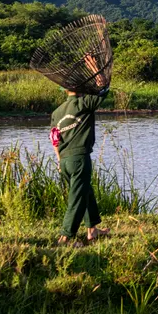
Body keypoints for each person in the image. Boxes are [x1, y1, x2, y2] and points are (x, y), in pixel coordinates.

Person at [52, 54, 111, 247]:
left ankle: (92, 230)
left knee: (85, 191)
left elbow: (55, 140)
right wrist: (95, 67)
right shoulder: (83, 104)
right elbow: (103, 87)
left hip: (65, 161)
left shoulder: (57, 112)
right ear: (80, 88)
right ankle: (65, 238)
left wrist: (60, 160)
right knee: (77, 198)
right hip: (79, 159)